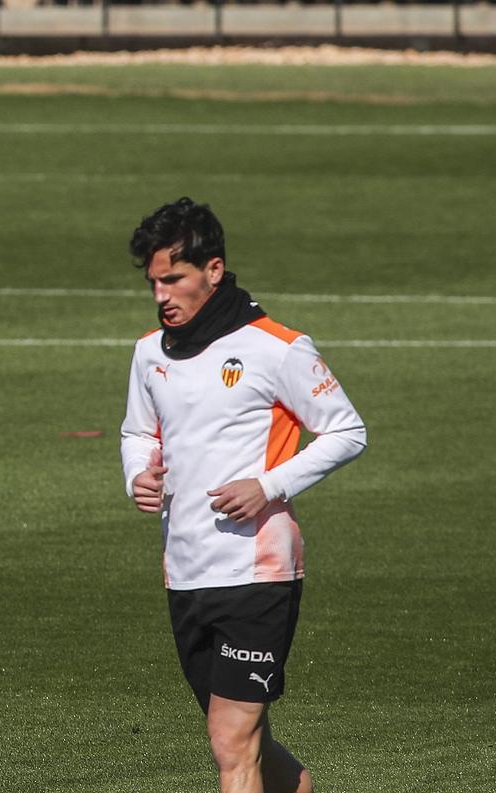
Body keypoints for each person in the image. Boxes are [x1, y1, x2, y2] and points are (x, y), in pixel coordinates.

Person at [120, 198, 366, 793]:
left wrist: (268, 486)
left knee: (231, 744)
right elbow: (138, 432)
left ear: (213, 269)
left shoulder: (276, 347)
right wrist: (138, 475)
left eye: (173, 279)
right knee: (244, 742)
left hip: (257, 573)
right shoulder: (150, 352)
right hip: (185, 571)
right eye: (153, 282)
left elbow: (348, 430)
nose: (161, 295)